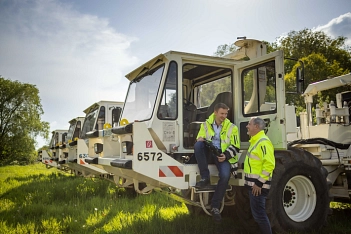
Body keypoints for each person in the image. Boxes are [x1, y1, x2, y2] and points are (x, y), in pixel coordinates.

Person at [194, 102, 240, 222]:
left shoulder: (232, 127)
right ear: (215, 112)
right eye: (222, 113)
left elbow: (236, 146)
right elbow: (200, 137)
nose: (224, 116)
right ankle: (205, 177)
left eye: (226, 113)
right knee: (198, 145)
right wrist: (200, 139)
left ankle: (215, 205)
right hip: (209, 152)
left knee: (225, 176)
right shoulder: (205, 125)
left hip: (222, 154)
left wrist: (225, 156)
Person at [245, 117, 275, 234]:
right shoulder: (255, 141)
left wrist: (258, 183)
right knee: (257, 215)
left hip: (258, 187)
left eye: (249, 124)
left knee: (260, 216)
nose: (247, 126)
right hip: (254, 186)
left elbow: (269, 165)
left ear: (256, 127)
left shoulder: (263, 142)